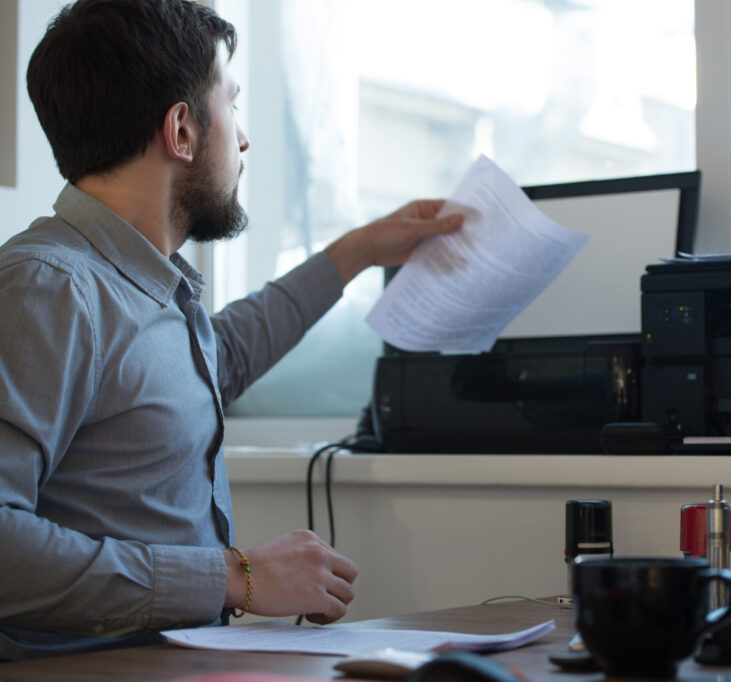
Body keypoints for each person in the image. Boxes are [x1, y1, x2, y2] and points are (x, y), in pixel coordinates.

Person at [0, 0, 463, 661]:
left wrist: (358, 250)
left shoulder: (142, 287)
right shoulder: (49, 287)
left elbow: (218, 359)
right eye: (233, 105)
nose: (243, 139)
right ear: (182, 130)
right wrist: (234, 576)